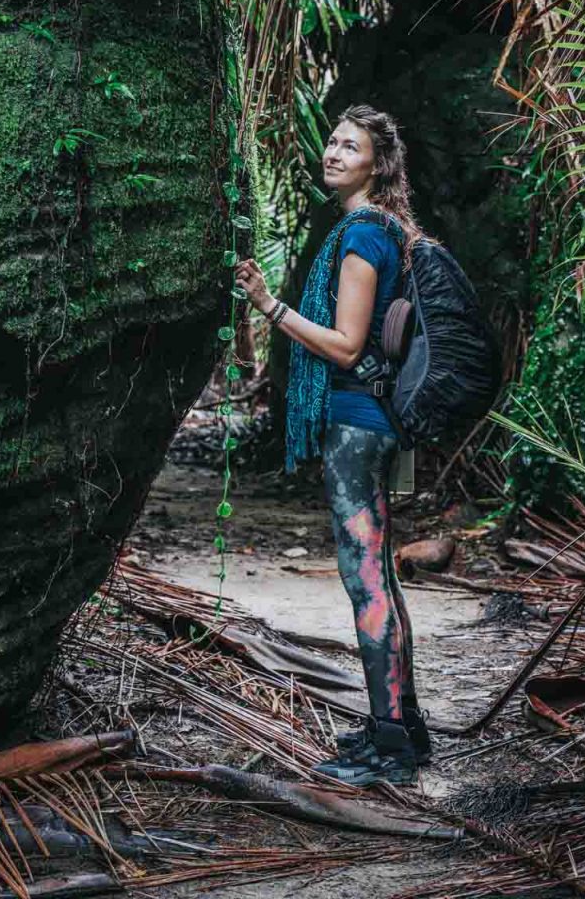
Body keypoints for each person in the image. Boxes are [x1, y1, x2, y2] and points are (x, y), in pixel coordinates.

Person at [234, 104, 433, 786]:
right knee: (379, 573)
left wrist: (269, 308)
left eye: (350, 146)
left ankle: (391, 749)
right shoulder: (384, 229)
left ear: (377, 165)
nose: (333, 152)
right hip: (376, 419)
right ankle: (401, 724)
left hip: (357, 423)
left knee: (365, 579)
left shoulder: (360, 237)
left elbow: (346, 346)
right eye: (331, 141)